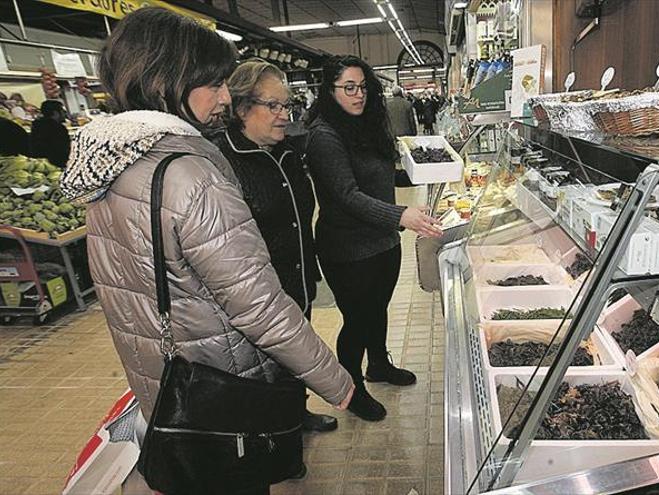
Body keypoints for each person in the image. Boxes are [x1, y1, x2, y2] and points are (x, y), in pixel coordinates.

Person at [59, 8, 353, 491]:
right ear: (169, 79)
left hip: (162, 380)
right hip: (220, 383)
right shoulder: (191, 176)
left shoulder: (110, 166)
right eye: (214, 83)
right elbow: (256, 303)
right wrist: (334, 380)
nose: (223, 98)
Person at [306, 55, 442, 422]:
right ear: (329, 90)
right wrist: (402, 215)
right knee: (356, 321)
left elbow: (380, 178)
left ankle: (379, 365)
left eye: (362, 86)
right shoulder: (324, 136)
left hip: (383, 242)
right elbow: (347, 195)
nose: (358, 94)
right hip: (348, 249)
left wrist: (424, 172)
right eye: (348, 87)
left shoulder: (365, 125)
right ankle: (351, 389)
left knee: (377, 310)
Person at [215, 59, 338, 434]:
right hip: (258, 297)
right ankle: (275, 439)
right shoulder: (224, 162)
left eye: (287, 106)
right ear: (241, 108)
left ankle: (295, 417)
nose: (285, 115)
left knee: (294, 357)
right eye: (274, 106)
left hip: (296, 278)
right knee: (265, 370)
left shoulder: (285, 152)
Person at [29, 100, 71, 167]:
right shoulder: (58, 129)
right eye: (63, 111)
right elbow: (63, 151)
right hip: (57, 165)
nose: (65, 114)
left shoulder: (36, 126)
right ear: (56, 113)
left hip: (41, 165)